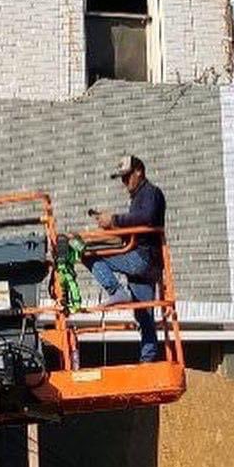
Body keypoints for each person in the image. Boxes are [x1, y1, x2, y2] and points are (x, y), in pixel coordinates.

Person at [86, 155, 166, 362]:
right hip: (147, 261)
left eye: (127, 177)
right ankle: (148, 360)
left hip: (142, 258)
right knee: (143, 314)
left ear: (139, 171)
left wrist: (113, 220)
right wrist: (112, 226)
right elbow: (138, 228)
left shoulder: (150, 193)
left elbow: (146, 218)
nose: (124, 182)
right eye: (122, 179)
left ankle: (115, 291)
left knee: (87, 253)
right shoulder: (140, 197)